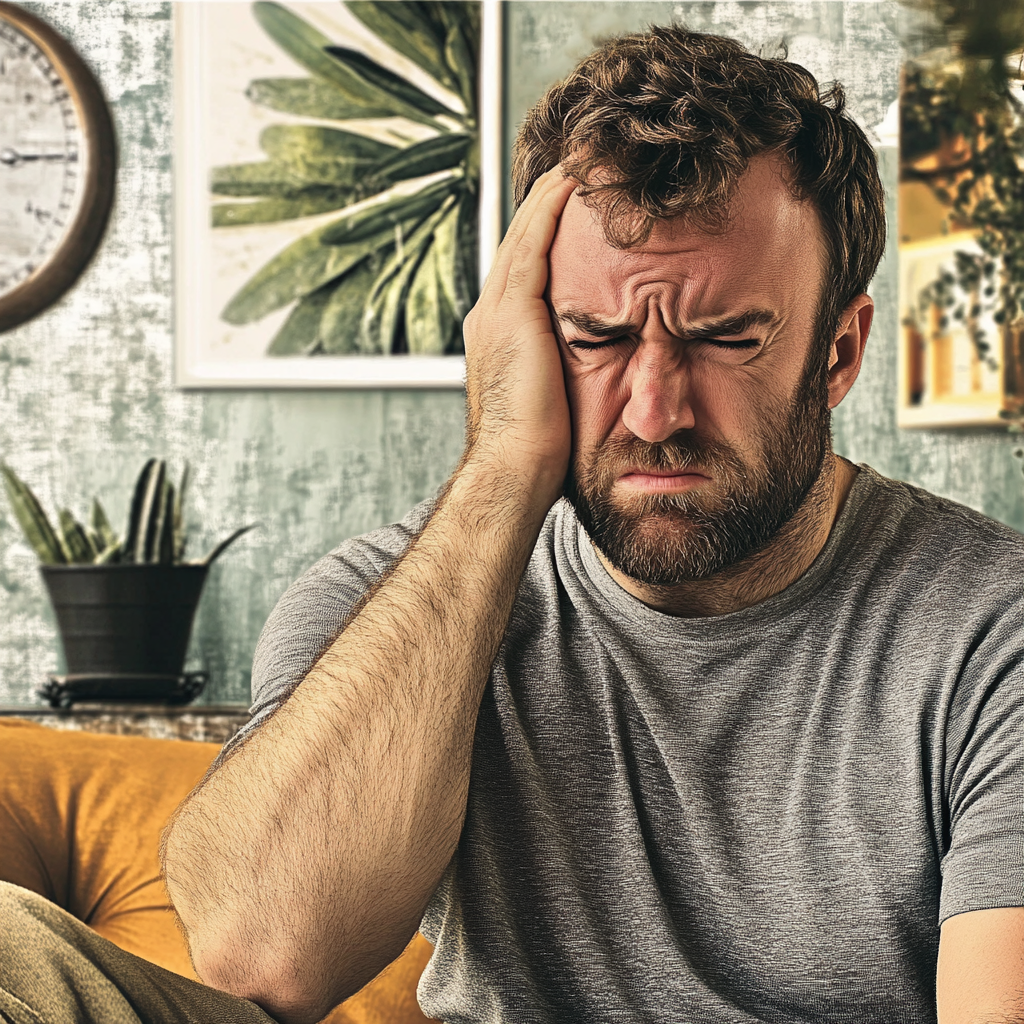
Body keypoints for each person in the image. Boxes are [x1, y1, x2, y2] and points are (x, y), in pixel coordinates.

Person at [2, 24, 1023, 1024]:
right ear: (524, 335)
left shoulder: (991, 627)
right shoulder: (385, 601)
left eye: (724, 338)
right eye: (597, 336)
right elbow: (263, 957)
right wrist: (500, 466)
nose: (654, 412)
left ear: (838, 352)